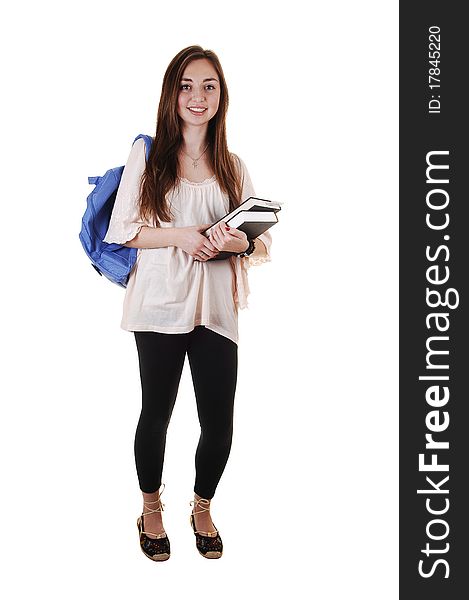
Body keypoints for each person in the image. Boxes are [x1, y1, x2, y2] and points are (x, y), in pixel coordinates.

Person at [102, 45, 272, 561]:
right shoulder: (148, 156)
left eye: (209, 86)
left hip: (216, 307)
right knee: (157, 412)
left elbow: (261, 243)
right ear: (171, 93)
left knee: (219, 421)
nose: (198, 97)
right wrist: (184, 235)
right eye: (186, 86)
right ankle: (151, 507)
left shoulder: (232, 166)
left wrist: (234, 241)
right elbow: (123, 232)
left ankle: (202, 505)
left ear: (222, 96)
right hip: (159, 304)